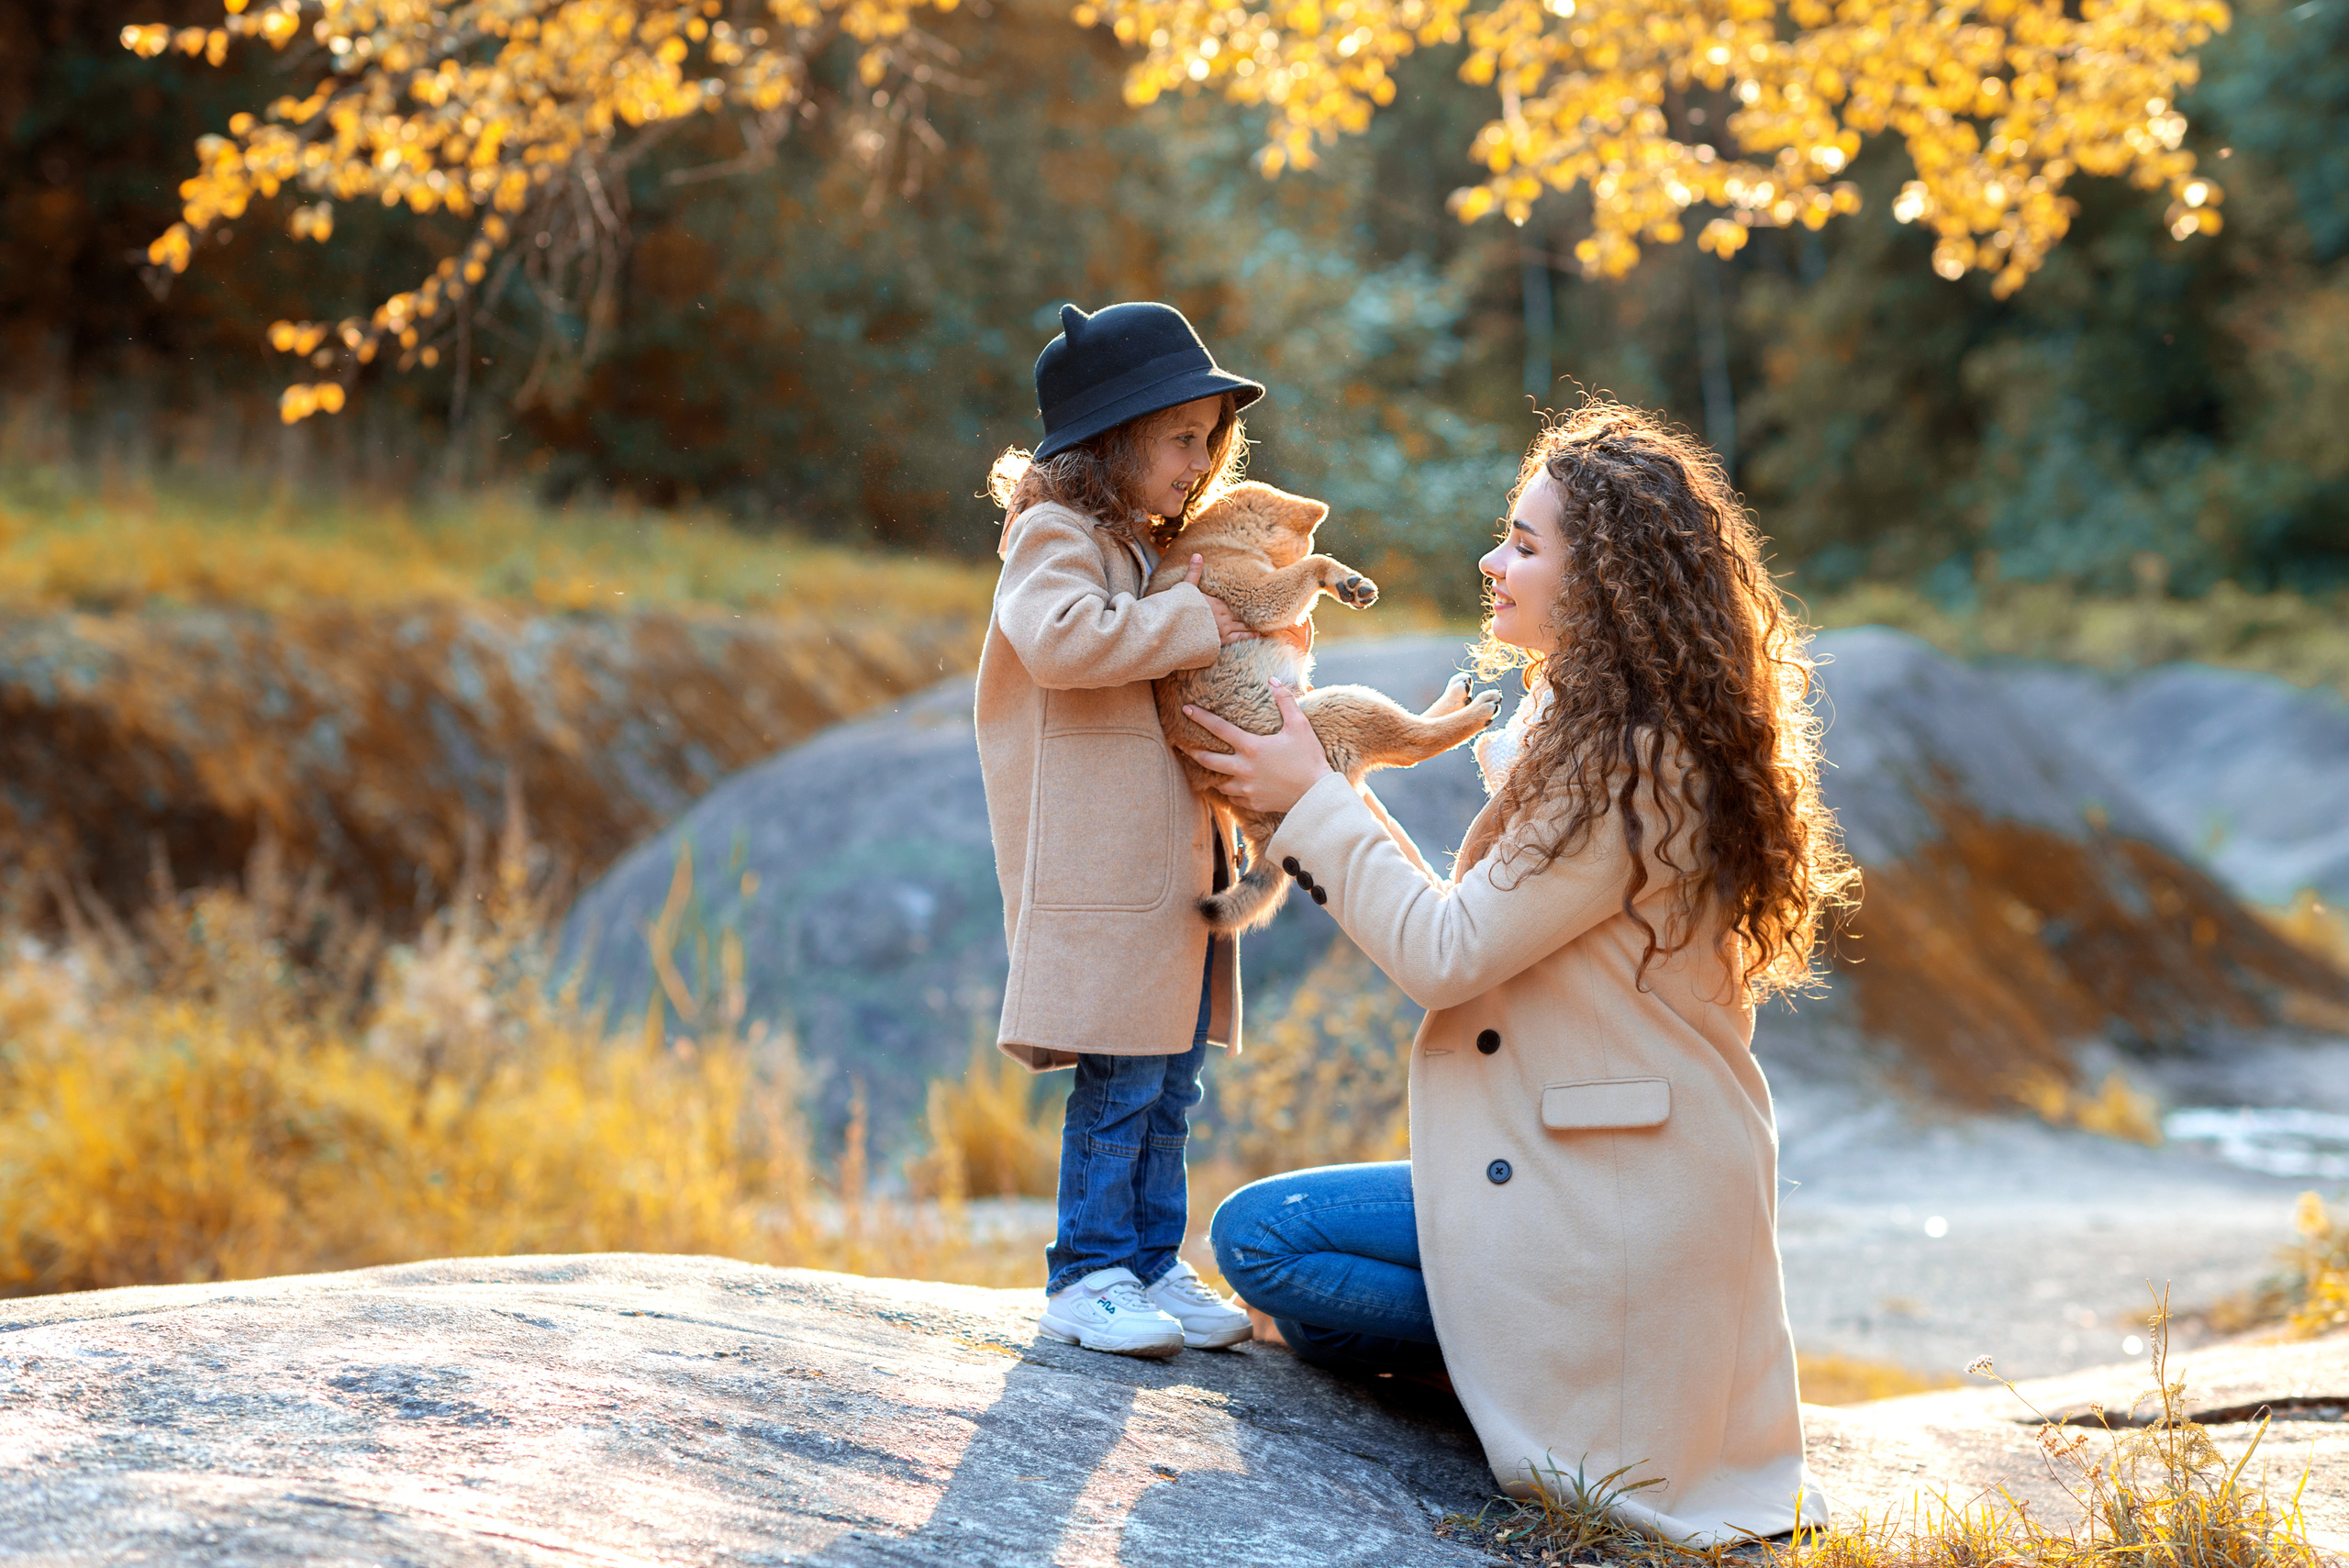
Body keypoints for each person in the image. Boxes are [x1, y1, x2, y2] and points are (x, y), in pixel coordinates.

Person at [1187, 401, 1856, 1541]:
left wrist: (1309, 796)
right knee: (1273, 1238)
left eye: (1526, 544)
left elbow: (1446, 955)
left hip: (1616, 1200)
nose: (1493, 561)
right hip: (1598, 1171)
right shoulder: (1616, 726)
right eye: (1507, 534)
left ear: (1601, 586)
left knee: (1267, 1241)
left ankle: (1534, 1383)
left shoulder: (1629, 762)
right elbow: (1468, 922)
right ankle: (1521, 1372)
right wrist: (1324, 796)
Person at [976, 300, 1266, 1358]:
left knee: (1172, 1077)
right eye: (1181, 438)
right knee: (1121, 1077)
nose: (1201, 461)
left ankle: (1148, 1257)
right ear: (1110, 440)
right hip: (1104, 876)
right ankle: (1086, 1268)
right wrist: (1197, 621)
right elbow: (1059, 642)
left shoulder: (1139, 544)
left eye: (1209, 440)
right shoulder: (1053, 536)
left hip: (1172, 872)